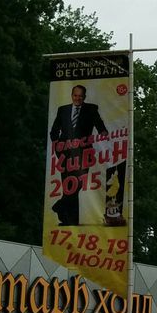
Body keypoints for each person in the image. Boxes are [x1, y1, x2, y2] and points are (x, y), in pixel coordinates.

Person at [48, 83, 109, 226]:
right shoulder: (62, 110)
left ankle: (59, 206)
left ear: (84, 97)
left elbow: (99, 124)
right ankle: (70, 221)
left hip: (83, 153)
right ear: (71, 95)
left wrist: (103, 132)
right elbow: (54, 130)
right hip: (65, 153)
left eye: (80, 96)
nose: (77, 98)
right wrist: (57, 146)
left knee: (76, 184)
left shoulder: (91, 109)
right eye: (75, 95)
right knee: (68, 186)